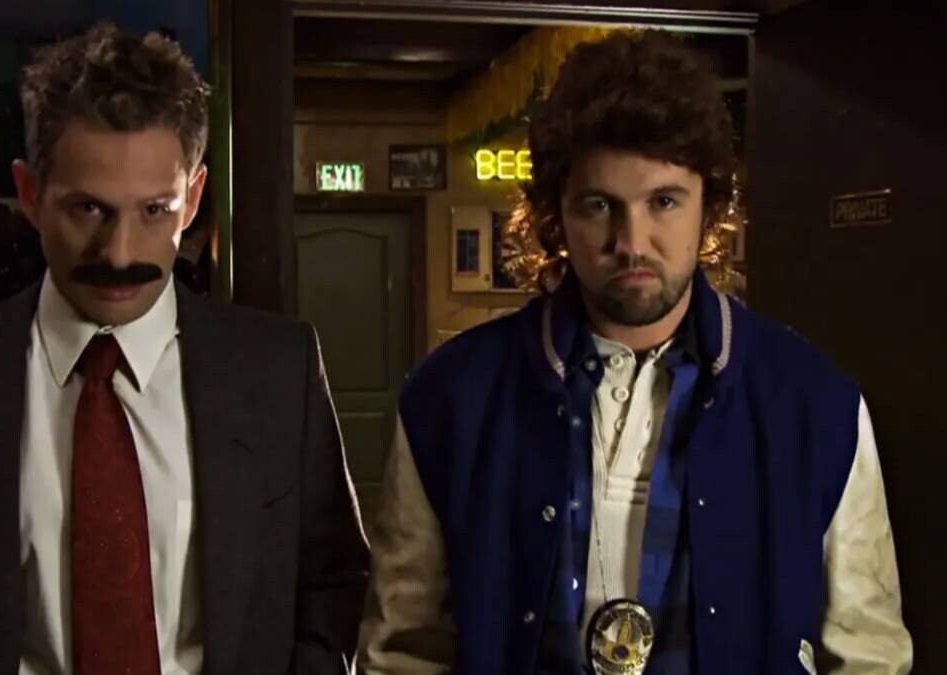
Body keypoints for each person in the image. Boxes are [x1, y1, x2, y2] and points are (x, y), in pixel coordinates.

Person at [0, 22, 369, 675]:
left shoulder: (281, 369)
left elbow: (334, 589)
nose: (119, 254)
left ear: (193, 199)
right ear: (30, 195)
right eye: (88, 210)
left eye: (154, 211)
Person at [357, 31, 911, 675]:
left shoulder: (814, 403)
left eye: (663, 202)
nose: (632, 242)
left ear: (710, 206)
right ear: (556, 214)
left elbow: (868, 656)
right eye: (600, 206)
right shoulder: (452, 397)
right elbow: (404, 651)